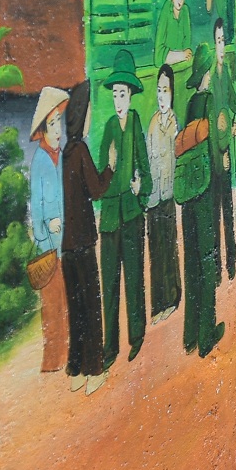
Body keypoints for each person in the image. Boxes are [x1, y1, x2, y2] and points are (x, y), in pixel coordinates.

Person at [98, 50, 151, 367]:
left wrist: (139, 187)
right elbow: (100, 178)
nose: (119, 100)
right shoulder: (107, 128)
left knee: (133, 278)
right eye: (115, 94)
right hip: (109, 219)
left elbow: (146, 172)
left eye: (123, 93)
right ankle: (109, 348)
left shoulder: (135, 124)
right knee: (110, 286)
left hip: (131, 214)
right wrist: (110, 167)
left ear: (130, 95)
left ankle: (137, 336)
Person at [60, 81, 112, 395]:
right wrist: (111, 168)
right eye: (89, 108)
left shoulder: (65, 153)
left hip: (67, 247)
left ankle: (76, 369)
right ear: (82, 114)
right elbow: (96, 189)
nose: (91, 114)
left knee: (77, 309)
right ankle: (94, 369)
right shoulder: (80, 150)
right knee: (91, 308)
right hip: (82, 242)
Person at [177, 43, 225, 357]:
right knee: (207, 260)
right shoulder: (211, 104)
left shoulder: (190, 105)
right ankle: (207, 335)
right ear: (209, 72)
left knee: (192, 262)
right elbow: (218, 149)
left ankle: (190, 335)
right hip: (205, 193)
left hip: (187, 195)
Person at [27, 86, 70, 373]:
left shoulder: (61, 157)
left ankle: (66, 355)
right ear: (43, 129)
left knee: (67, 302)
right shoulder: (40, 161)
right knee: (52, 306)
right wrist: (44, 234)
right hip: (49, 247)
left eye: (59, 123)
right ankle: (52, 360)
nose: (57, 130)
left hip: (65, 242)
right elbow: (37, 207)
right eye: (52, 124)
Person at [145, 64, 181, 323]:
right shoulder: (153, 124)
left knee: (169, 248)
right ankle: (158, 305)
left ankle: (172, 298)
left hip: (167, 196)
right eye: (158, 90)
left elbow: (176, 161)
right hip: (152, 197)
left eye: (165, 90)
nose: (161, 96)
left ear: (172, 93)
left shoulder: (173, 125)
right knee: (155, 252)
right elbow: (148, 159)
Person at [211, 16, 236, 280]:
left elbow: (235, 101)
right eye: (218, 41)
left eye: (223, 41)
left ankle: (230, 261)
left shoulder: (227, 74)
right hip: (215, 156)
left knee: (228, 211)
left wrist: (234, 121)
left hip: (227, 153)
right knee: (215, 212)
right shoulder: (210, 78)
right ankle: (217, 266)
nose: (221, 47)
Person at [155, 0, 195, 111]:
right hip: (166, 81)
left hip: (182, 76)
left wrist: (180, 55)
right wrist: (179, 55)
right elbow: (158, 57)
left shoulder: (185, 12)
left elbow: (188, 49)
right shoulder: (166, 10)